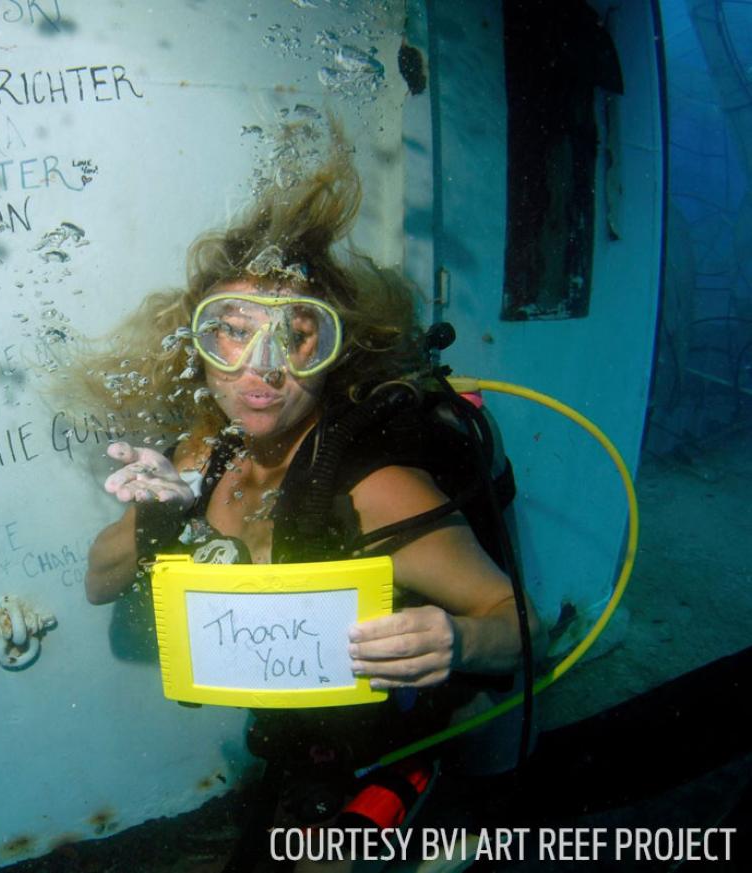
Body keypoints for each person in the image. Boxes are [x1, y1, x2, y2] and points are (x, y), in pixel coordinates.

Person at [73, 141, 542, 871]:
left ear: (332, 351)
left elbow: (520, 626)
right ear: (198, 344)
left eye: (296, 336)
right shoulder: (204, 456)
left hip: (396, 738)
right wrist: (159, 515)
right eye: (232, 330)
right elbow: (97, 582)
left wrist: (456, 638)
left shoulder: (377, 489)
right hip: (296, 738)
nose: (262, 369)